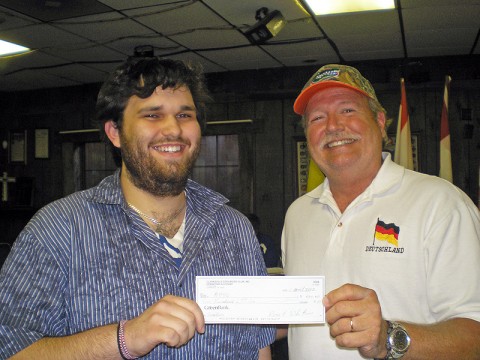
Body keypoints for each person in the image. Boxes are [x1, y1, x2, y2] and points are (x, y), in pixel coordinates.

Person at [0, 57, 275, 359]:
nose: (173, 129)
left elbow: (259, 346)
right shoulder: (58, 230)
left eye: (185, 115)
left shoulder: (235, 229)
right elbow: (12, 350)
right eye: (153, 115)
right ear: (115, 133)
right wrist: (125, 338)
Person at [281, 64, 480, 359]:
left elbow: (474, 335)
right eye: (317, 118)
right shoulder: (297, 214)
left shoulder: (441, 203)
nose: (333, 126)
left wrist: (388, 337)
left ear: (380, 121)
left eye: (348, 110)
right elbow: (302, 317)